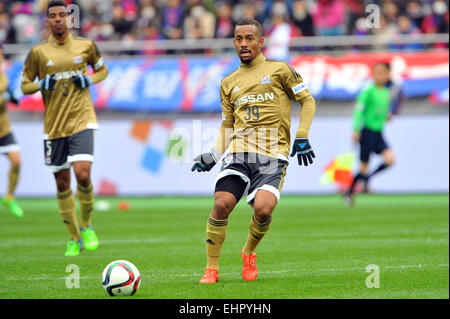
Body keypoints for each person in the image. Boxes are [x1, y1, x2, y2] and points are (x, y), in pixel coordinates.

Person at [191, 18, 316, 284]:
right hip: (239, 153)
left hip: (274, 155)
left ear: (261, 41)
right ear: (234, 42)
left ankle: (248, 252)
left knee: (263, 210)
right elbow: (228, 123)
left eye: (249, 38)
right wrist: (214, 153)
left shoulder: (280, 70)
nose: (244, 43)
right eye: (239, 38)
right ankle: (211, 268)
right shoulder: (228, 83)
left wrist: (302, 136)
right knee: (221, 204)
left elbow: (307, 100)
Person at [20, 0, 108, 256]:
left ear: (70, 19)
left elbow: (103, 70)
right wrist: (40, 85)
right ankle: (73, 237)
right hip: (54, 126)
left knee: (82, 174)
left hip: (82, 119)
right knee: (61, 183)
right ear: (47, 21)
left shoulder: (86, 46)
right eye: (53, 16)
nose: (58, 19)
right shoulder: (38, 53)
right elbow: (25, 85)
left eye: (62, 15)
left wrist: (89, 79)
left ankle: (88, 225)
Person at [344, 62, 396, 206]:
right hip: (367, 132)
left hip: (379, 133)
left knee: (390, 160)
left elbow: (380, 111)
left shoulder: (385, 92)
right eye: (377, 72)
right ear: (373, 74)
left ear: (388, 75)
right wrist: (355, 129)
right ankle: (349, 193)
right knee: (363, 168)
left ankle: (367, 178)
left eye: (383, 73)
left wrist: (387, 116)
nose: (380, 75)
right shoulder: (368, 91)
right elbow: (359, 110)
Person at [0, 45, 23, 218]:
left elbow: (11, 97)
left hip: (3, 129)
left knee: (16, 162)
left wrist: (13, 97)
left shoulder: (3, 78)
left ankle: (9, 197)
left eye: (1, 55)